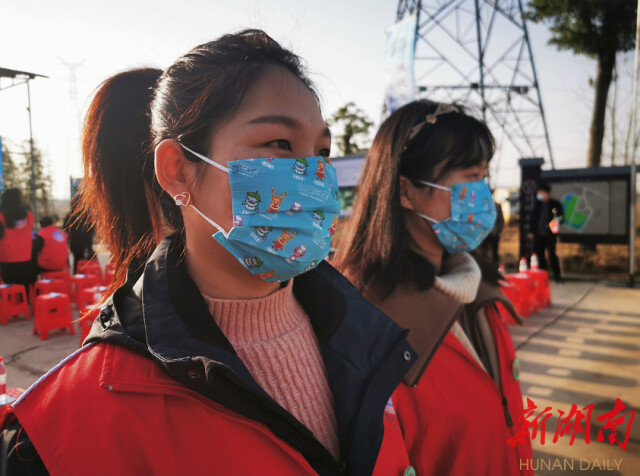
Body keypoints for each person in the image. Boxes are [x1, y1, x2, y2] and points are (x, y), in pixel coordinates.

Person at [0, 31, 416, 475]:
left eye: (322, 152)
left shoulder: (371, 343)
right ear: (177, 171)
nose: (313, 175)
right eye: (279, 144)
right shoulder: (66, 425)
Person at [333, 100, 533, 476]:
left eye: (484, 177)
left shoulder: (479, 291)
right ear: (406, 192)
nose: (483, 195)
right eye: (468, 178)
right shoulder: (372, 326)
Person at [529, 182, 563, 282]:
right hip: (539, 234)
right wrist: (531, 231)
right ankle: (543, 276)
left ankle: (557, 276)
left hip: (550, 235)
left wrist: (556, 222)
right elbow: (533, 219)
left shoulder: (555, 204)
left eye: (541, 192)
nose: (539, 194)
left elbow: (561, 218)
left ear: (546, 193)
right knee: (540, 255)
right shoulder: (537, 204)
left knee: (552, 255)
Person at [0, 188, 34, 288]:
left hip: (7, 257)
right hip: (25, 256)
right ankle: (25, 302)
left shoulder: (1, 216)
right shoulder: (29, 215)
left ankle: (11, 303)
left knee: (10, 288)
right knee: (23, 286)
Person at [63, 193, 95, 273]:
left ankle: (77, 278)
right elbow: (92, 230)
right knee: (87, 263)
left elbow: (65, 229)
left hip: (75, 244)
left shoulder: (69, 216)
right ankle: (88, 279)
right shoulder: (87, 215)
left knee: (76, 261)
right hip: (87, 244)